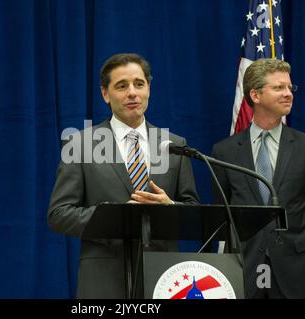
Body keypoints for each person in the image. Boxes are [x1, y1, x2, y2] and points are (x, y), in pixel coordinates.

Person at [48, 53, 199, 298]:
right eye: (121, 86)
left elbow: (193, 210)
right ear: (105, 94)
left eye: (139, 84)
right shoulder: (81, 144)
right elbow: (58, 214)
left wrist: (170, 207)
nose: (132, 92)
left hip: (164, 278)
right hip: (104, 280)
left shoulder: (174, 144)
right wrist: (113, 218)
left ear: (149, 88)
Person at [211, 58, 305, 298]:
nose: (288, 94)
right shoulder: (224, 151)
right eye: (278, 88)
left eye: (289, 88)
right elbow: (223, 212)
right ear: (255, 95)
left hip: (295, 268)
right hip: (244, 266)